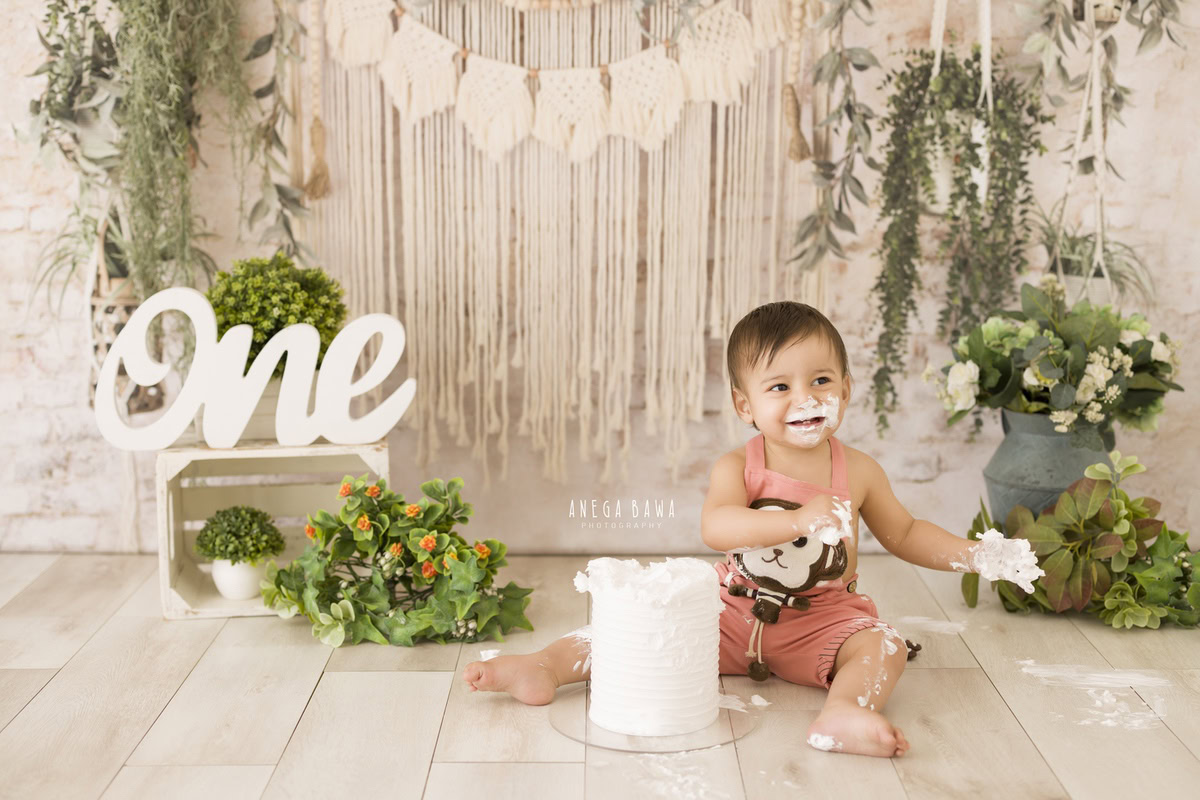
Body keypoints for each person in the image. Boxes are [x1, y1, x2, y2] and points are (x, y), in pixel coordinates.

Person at [461, 301, 1040, 758]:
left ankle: (845, 711)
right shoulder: (738, 466)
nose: (805, 398)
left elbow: (906, 533)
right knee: (644, 629)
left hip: (822, 621)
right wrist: (795, 520)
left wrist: (977, 555)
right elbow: (717, 526)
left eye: (821, 380)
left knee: (883, 644)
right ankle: (545, 665)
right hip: (732, 612)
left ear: (846, 388)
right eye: (780, 387)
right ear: (746, 405)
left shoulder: (859, 471)